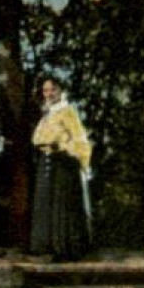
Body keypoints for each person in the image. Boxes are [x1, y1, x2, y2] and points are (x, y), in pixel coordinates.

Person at [29, 76, 93, 261]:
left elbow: (80, 140)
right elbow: (38, 138)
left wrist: (63, 148)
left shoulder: (67, 112)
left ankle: (65, 248)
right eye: (45, 90)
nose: (49, 94)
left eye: (52, 90)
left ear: (60, 90)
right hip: (47, 159)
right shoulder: (48, 113)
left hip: (63, 162)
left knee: (62, 205)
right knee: (46, 202)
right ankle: (47, 246)